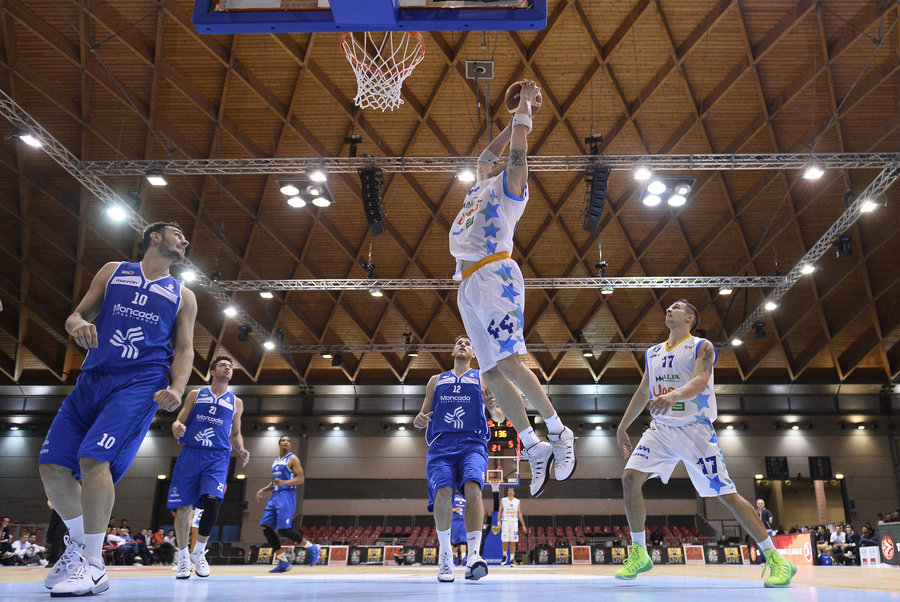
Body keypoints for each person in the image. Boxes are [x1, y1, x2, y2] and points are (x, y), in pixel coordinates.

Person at [38, 221, 197, 597]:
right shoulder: (113, 272)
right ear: (154, 237)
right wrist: (77, 324)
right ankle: (78, 544)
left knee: (93, 460)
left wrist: (177, 387)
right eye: (178, 234)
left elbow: (186, 349)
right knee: (51, 467)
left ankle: (94, 566)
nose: (185, 240)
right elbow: (76, 315)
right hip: (93, 378)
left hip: (140, 384)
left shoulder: (182, 295)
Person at [449, 79, 575, 498]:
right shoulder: (481, 183)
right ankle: (533, 445)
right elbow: (486, 155)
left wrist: (524, 110)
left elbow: (518, 151)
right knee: (489, 371)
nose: (503, 162)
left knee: (511, 363)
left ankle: (559, 430)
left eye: (510, 162)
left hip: (494, 277)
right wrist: (511, 119)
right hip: (467, 286)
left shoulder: (511, 191)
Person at [615, 300, 796, 588]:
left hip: (695, 430)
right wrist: (623, 426)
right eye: (668, 307)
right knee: (629, 478)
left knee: (726, 495)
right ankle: (639, 552)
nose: (668, 309)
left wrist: (673, 396)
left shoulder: (702, 346)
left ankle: (776, 559)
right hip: (661, 429)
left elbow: (701, 380)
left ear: (689, 318)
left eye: (675, 307)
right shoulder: (653, 352)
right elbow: (643, 390)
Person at [414, 335, 505, 582]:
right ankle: (445, 556)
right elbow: (422, 415)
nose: (462, 345)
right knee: (444, 493)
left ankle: (474, 556)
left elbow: (498, 417)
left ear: (473, 354)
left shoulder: (482, 377)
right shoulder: (436, 380)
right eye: (458, 343)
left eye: (467, 343)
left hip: (472, 443)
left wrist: (493, 406)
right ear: (453, 352)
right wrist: (419, 419)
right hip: (441, 446)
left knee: (474, 487)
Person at [167, 356, 249, 580]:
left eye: (231, 366)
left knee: (213, 502)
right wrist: (176, 425)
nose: (228, 368)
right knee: (184, 508)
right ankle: (183, 557)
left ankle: (199, 552)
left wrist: (241, 449)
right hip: (192, 453)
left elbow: (235, 433)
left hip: (218, 457)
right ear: (213, 372)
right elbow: (180, 419)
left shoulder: (236, 402)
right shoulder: (196, 395)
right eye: (223, 365)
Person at [256, 436, 320, 573]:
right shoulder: (275, 461)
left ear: (290, 445)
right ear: (279, 444)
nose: (286, 442)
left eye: (288, 441)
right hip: (274, 496)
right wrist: (264, 489)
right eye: (283, 440)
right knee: (266, 527)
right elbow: (275, 481)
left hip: (287, 495)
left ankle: (311, 547)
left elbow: (301, 479)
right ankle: (283, 562)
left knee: (284, 530)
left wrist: (284, 483)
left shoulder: (293, 459)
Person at [500, 487, 526, 566]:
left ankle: (511, 559)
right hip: (505, 522)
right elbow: (500, 511)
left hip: (514, 522)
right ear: (507, 492)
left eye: (512, 490)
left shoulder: (517, 501)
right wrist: (498, 522)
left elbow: (520, 513)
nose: (510, 491)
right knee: (505, 540)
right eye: (509, 490)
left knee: (513, 542)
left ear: (514, 492)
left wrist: (523, 525)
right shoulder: (503, 500)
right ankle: (505, 555)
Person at [450, 493, 467, 566]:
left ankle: (464, 558)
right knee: (455, 543)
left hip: (463, 521)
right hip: (455, 521)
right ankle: (455, 557)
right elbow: (446, 509)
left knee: (463, 541)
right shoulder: (453, 497)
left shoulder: (466, 498)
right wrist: (455, 509)